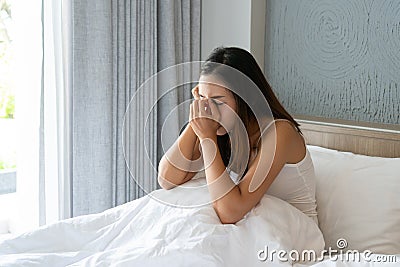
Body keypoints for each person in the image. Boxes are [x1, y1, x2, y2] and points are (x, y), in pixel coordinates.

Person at [158, 46, 318, 225]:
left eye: (218, 101)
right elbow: (167, 178)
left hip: (293, 233)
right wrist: (197, 119)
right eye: (202, 99)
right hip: (253, 223)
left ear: (246, 99)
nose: (209, 110)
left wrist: (207, 138)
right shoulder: (228, 130)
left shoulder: (280, 133)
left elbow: (229, 212)